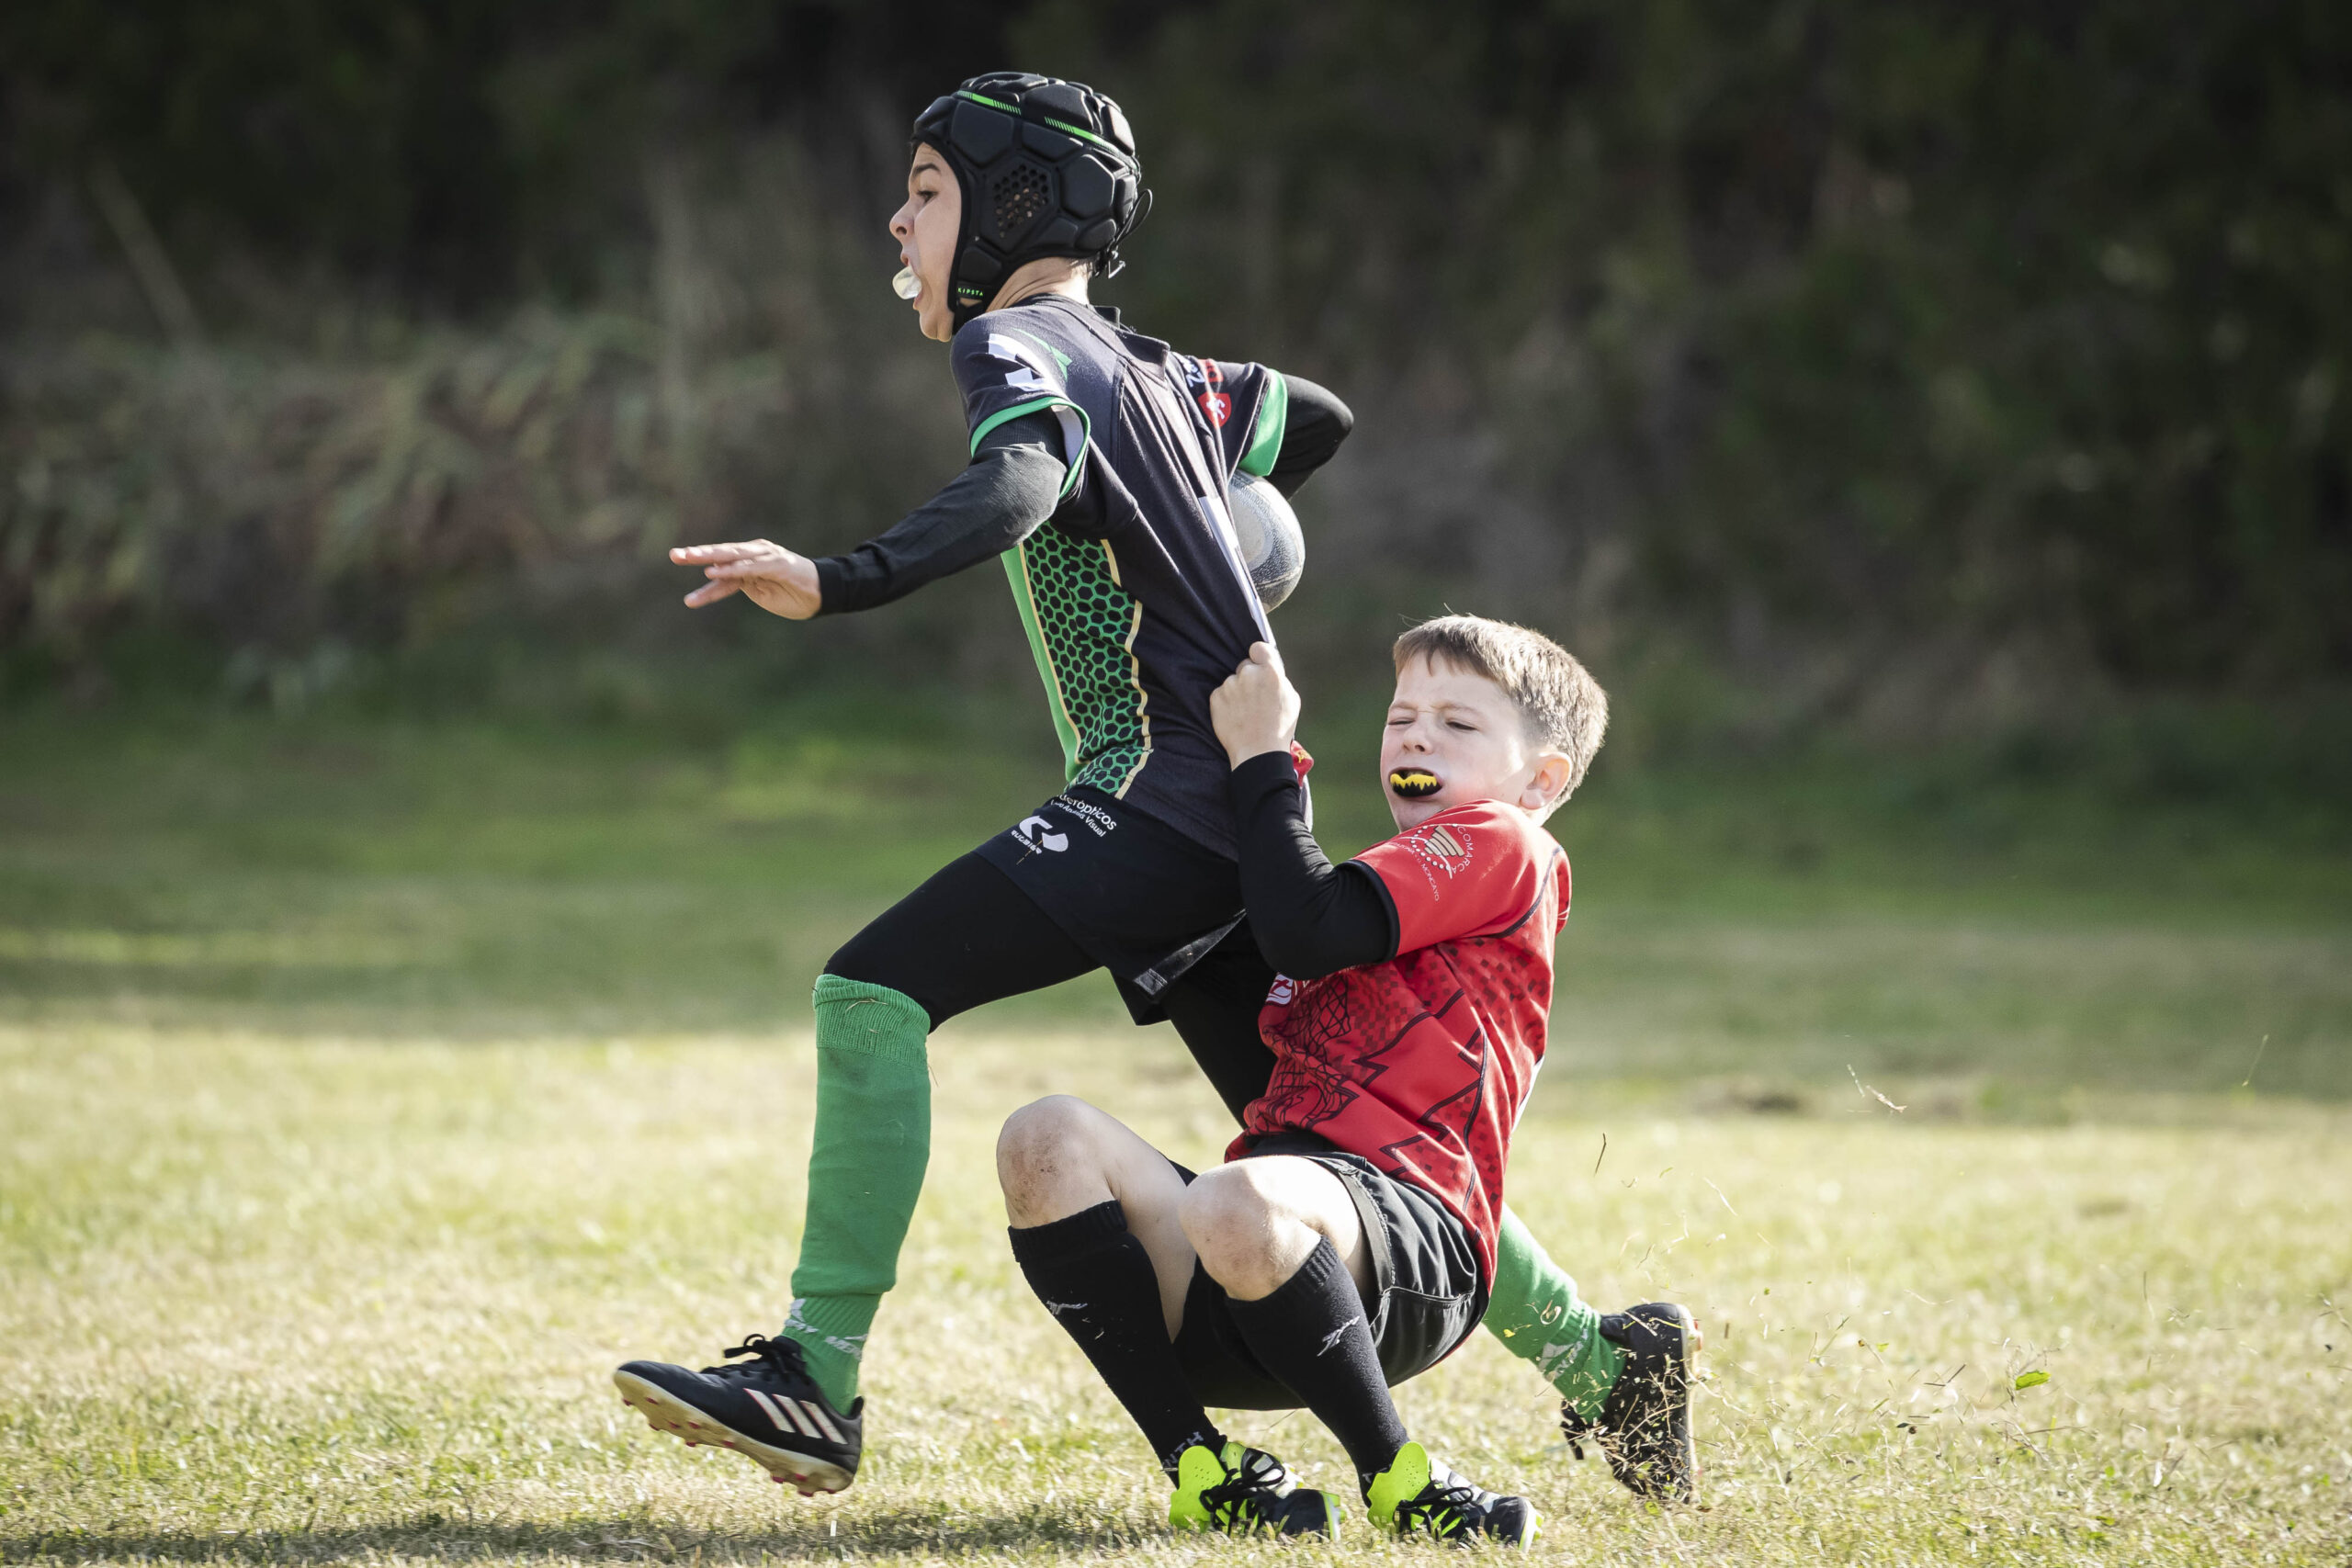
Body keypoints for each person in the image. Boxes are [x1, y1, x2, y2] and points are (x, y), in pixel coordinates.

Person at [611, 73, 1656, 1501]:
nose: (899, 220)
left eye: (925, 191)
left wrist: (835, 577)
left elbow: (1021, 485)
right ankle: (1606, 1363)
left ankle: (815, 1374)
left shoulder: (1016, 337)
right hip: (1232, 806)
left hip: (1155, 798)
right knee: (1322, 1128)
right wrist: (1221, 497)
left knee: (870, 992)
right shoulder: (1163, 370)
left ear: (1013, 209)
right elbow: (1323, 417)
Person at [993, 617, 1699, 1541]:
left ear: (1543, 780)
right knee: (1043, 1138)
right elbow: (1254, 969)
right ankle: (1201, 1467)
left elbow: (1305, 924)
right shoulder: (1370, 887)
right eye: (1402, 715)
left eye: (1458, 723)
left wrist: (1261, 766)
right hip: (1269, 1282)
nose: (1414, 736)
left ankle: (1402, 1479)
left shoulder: (1506, 844)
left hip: (1416, 1257)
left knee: (1233, 1197)